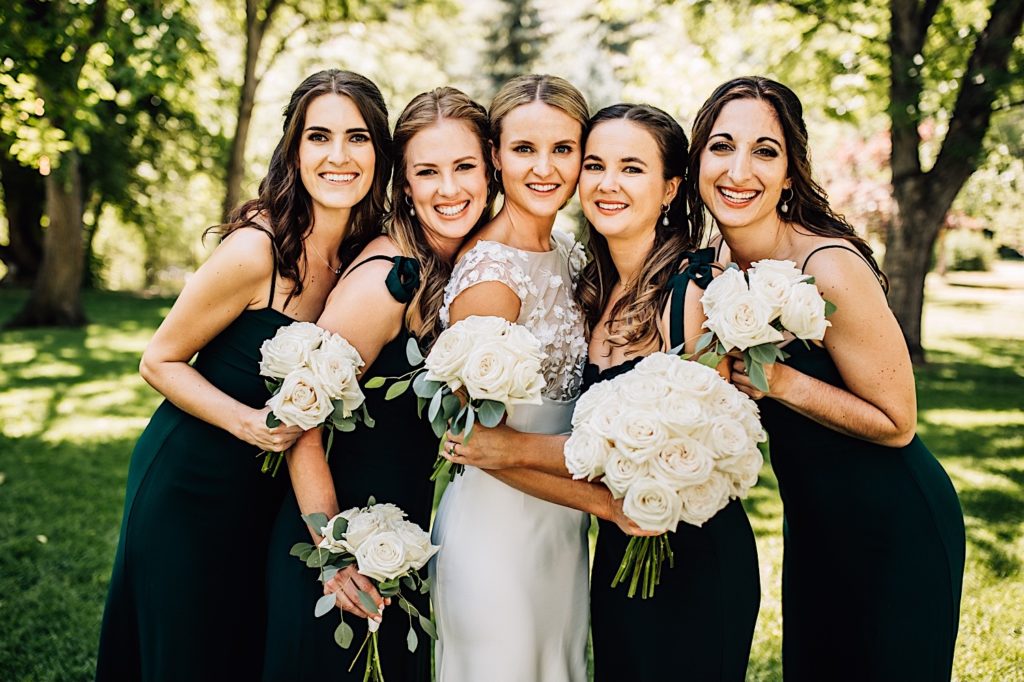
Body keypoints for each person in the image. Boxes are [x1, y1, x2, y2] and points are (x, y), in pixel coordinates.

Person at [444, 104, 761, 681]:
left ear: (669, 188)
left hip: (690, 553)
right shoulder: (594, 285)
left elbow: (680, 453)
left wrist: (512, 448)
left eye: (632, 168)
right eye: (595, 164)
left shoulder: (690, 289)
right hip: (618, 549)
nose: (607, 183)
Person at [95, 69, 392, 681]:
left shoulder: (361, 257)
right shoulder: (255, 251)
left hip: (264, 497)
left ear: (379, 152)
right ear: (294, 149)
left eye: (357, 138)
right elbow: (159, 359)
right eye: (319, 137)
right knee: (182, 652)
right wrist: (249, 424)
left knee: (236, 650)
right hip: (189, 485)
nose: (338, 156)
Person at [689, 76, 965, 681]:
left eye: (765, 151)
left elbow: (898, 424)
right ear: (697, 159)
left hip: (894, 525)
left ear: (790, 173)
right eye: (721, 146)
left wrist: (781, 383)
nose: (739, 170)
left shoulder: (828, 265)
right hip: (814, 524)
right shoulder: (714, 267)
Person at [261, 86, 495, 682]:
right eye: (427, 171)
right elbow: (301, 421)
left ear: (491, 170)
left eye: (464, 167)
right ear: (405, 185)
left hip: (402, 539)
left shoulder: (460, 267)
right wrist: (335, 557)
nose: (449, 189)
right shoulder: (386, 277)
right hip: (342, 547)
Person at [428, 74, 591, 682]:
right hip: (498, 536)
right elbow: (471, 442)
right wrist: (605, 502)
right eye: (524, 149)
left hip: (558, 534)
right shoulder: (491, 276)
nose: (544, 167)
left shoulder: (570, 254)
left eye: (562, 149)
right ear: (496, 156)